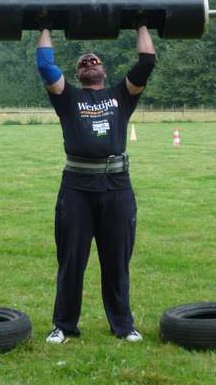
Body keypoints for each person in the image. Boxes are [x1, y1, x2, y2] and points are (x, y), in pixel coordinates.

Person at [36, 22, 156, 344]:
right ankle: (63, 325)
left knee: (117, 262)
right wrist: (44, 22)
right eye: (83, 62)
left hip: (117, 188)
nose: (89, 63)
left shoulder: (122, 95)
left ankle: (123, 325)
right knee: (71, 261)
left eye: (94, 60)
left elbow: (146, 61)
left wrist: (141, 23)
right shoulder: (68, 98)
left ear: (103, 70)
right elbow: (45, 65)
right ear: (78, 74)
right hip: (76, 189)